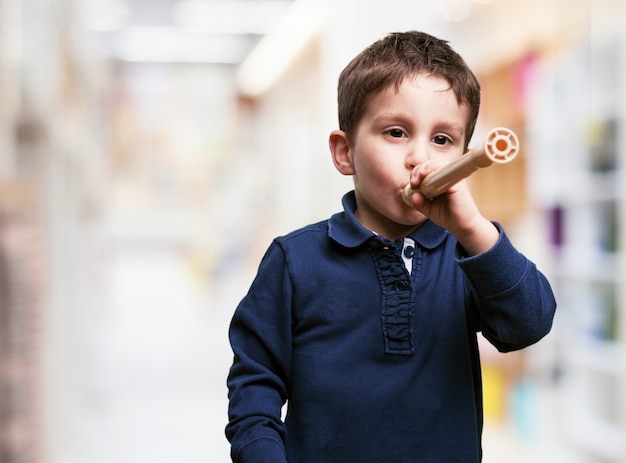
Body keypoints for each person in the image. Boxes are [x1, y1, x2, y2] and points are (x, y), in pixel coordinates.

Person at [225, 30, 556, 462]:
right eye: (397, 132)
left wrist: (474, 228)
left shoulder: (468, 254)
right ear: (345, 153)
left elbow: (529, 324)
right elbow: (254, 387)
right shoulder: (294, 260)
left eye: (442, 140)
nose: (420, 158)